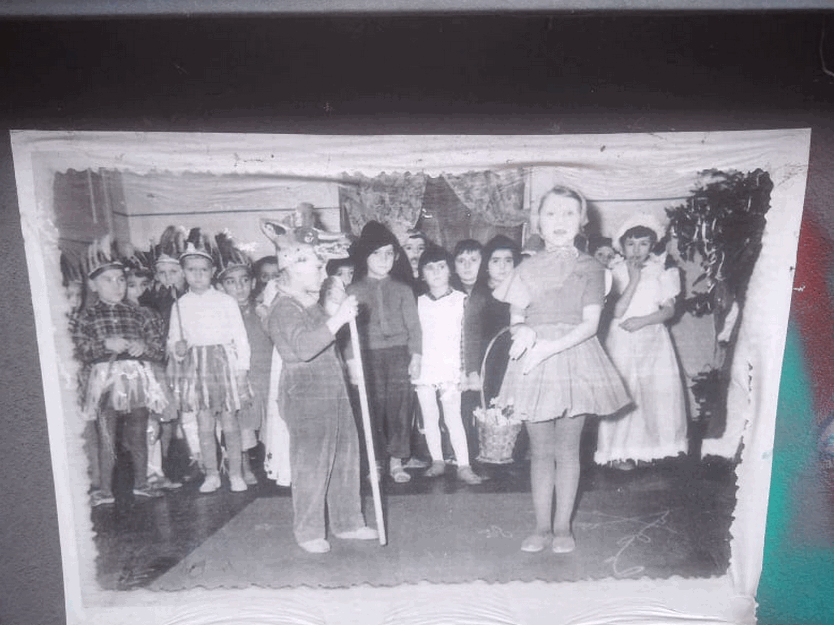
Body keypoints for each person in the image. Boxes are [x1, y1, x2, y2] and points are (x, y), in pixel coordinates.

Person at [494, 186, 630, 553]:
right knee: (540, 450)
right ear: (538, 221)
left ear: (582, 221)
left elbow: (590, 325)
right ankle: (541, 527)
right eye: (551, 213)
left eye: (569, 213)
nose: (559, 221)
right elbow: (516, 318)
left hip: (574, 358)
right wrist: (523, 333)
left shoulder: (592, 268)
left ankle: (563, 527)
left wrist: (547, 349)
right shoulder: (525, 268)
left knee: (568, 449)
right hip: (533, 362)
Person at [262, 216, 377, 554]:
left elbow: (328, 337)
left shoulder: (308, 304)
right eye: (316, 267)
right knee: (312, 461)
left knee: (345, 454)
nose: (322, 273)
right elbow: (303, 347)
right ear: (293, 267)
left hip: (332, 386)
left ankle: (348, 522)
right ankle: (308, 530)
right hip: (305, 392)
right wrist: (338, 318)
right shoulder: (283, 308)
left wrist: (338, 314)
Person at [72, 237, 169, 507]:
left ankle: (142, 483)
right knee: (107, 435)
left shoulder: (140, 314)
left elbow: (158, 349)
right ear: (93, 285)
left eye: (121, 279)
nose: (117, 285)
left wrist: (143, 347)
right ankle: (105, 489)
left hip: (136, 380)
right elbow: (79, 350)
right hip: (104, 382)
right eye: (108, 280)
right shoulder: (87, 317)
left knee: (138, 433)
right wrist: (104, 345)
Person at [594, 214, 688, 469]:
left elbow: (668, 310)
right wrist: (634, 279)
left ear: (652, 245)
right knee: (624, 392)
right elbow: (617, 311)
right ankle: (616, 453)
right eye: (631, 244)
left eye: (643, 243)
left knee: (653, 394)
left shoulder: (662, 270)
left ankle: (649, 450)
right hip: (622, 339)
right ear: (622, 246)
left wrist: (644, 321)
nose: (637, 250)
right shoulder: (614, 272)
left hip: (653, 339)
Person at [167, 229, 251, 494]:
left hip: (223, 363)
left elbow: (240, 338)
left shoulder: (226, 301)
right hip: (197, 367)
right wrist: (178, 349)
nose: (197, 275)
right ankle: (212, 474)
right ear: (183, 273)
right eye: (191, 270)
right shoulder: (180, 304)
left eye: (203, 269)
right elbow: (174, 340)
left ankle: (235, 473)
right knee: (204, 423)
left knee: (229, 421)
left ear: (213, 271)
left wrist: (241, 370)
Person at [347, 221, 422, 484]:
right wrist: (352, 361)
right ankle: (374, 461)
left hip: (399, 355)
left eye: (389, 253)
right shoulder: (353, 290)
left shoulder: (403, 289)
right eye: (377, 253)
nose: (384, 259)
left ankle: (396, 461)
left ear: (396, 256)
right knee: (371, 408)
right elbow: (347, 331)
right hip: (368, 357)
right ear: (365, 257)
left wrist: (416, 356)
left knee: (400, 407)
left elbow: (414, 327)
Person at [413, 245, 483, 484]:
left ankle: (464, 465)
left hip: (452, 368)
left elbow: (468, 339)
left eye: (441, 267)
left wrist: (466, 371)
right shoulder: (419, 302)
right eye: (429, 268)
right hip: (426, 368)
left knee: (453, 417)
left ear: (450, 270)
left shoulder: (461, 300)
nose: (436, 272)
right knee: (429, 416)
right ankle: (437, 461)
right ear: (422, 274)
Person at [124, 249, 181, 492]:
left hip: (152, 373)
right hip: (129, 377)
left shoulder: (151, 311)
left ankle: (155, 472)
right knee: (140, 426)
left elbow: (159, 348)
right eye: (131, 285)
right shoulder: (120, 312)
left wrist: (147, 348)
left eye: (143, 285)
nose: (138, 291)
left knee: (154, 424)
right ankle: (144, 474)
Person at [216, 233, 270, 486]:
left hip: (264, 372)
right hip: (239, 377)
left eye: (244, 280)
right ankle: (243, 465)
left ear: (253, 282)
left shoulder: (261, 309)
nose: (239, 287)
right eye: (231, 282)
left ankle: (272, 461)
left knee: (269, 421)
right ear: (221, 287)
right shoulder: (221, 314)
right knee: (242, 424)